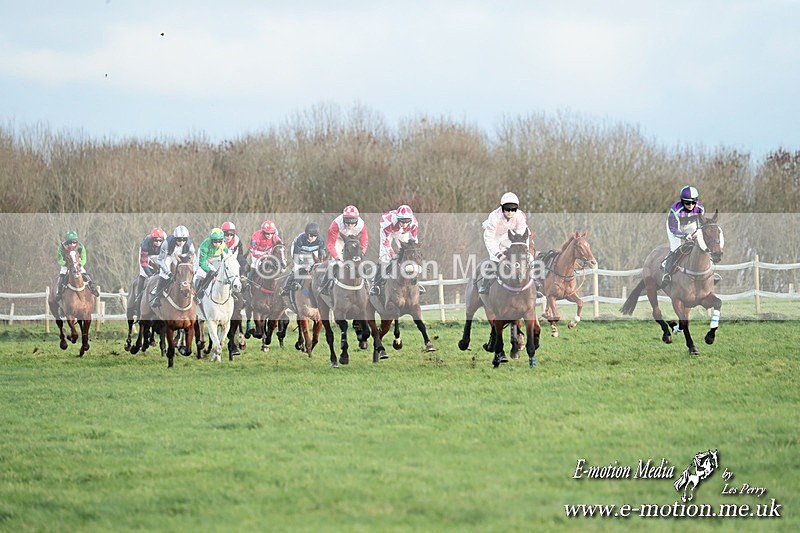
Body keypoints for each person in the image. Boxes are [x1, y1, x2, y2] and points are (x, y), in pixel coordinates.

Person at [477, 192, 532, 294]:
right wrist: (499, 254)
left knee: (526, 257)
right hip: (494, 237)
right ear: (502, 207)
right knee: (495, 259)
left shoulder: (520, 216)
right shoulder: (494, 217)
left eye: (513, 209)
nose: (510, 212)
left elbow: (522, 234)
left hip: (509, 235)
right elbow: (489, 238)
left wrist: (523, 249)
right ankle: (485, 283)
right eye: (507, 208)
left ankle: (535, 282)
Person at [370, 204, 422, 296]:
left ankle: (415, 283)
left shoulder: (414, 223)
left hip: (402, 234)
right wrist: (392, 254)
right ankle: (375, 284)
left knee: (410, 256)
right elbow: (385, 242)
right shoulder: (387, 222)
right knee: (384, 258)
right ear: (398, 219)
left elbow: (414, 241)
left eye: (406, 221)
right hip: (388, 233)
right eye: (402, 221)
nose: (404, 224)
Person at [319, 205, 369, 296]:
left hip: (353, 241)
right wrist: (337, 258)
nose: (350, 225)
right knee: (335, 263)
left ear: (357, 221)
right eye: (347, 223)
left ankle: (366, 284)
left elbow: (364, 241)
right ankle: (324, 285)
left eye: (352, 223)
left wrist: (361, 253)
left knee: (359, 262)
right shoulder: (335, 225)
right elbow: (330, 244)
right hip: (338, 240)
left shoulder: (362, 225)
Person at [662, 185, 706, 284]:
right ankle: (667, 272)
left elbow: (700, 224)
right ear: (682, 201)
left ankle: (709, 269)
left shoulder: (700, 209)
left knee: (702, 243)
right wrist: (685, 236)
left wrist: (698, 232)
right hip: (675, 227)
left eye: (693, 202)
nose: (690, 205)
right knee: (676, 247)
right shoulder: (675, 210)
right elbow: (674, 229)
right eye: (687, 202)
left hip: (690, 225)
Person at [151, 225, 196, 307]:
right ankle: (157, 297)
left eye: (184, 240)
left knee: (187, 273)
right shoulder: (166, 243)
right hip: (168, 256)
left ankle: (195, 294)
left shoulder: (190, 245)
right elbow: (160, 260)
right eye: (179, 239)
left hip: (180, 257)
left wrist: (193, 270)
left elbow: (194, 258)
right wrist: (168, 272)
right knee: (164, 274)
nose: (181, 242)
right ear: (175, 238)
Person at [280, 222, 327, 296]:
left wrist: (320, 263)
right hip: (299, 252)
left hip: (311, 252)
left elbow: (322, 255)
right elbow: (296, 256)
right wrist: (303, 264)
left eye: (315, 236)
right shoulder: (300, 239)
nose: (313, 238)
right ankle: (286, 288)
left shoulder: (320, 240)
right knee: (297, 268)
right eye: (311, 235)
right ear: (307, 234)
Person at [55, 230, 100, 298]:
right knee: (62, 274)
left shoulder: (81, 247)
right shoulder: (61, 248)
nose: (72, 244)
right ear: (67, 242)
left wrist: (79, 264)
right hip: (66, 263)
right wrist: (65, 264)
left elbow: (84, 258)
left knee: (84, 272)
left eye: (74, 241)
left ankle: (93, 287)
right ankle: (59, 292)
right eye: (70, 242)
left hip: (77, 262)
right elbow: (59, 259)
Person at [133, 227, 166, 308]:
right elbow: (143, 263)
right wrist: (150, 275)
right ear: (152, 239)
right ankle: (138, 296)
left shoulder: (166, 243)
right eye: (155, 240)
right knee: (143, 273)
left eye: (160, 240)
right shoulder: (146, 244)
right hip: (147, 254)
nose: (158, 242)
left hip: (158, 254)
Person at [195, 228, 230, 300]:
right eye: (215, 241)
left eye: (219, 241)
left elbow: (225, 260)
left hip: (216, 258)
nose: (217, 243)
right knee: (201, 274)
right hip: (205, 259)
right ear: (211, 240)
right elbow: (202, 263)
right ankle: (198, 293)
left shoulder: (224, 246)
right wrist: (210, 271)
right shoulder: (204, 246)